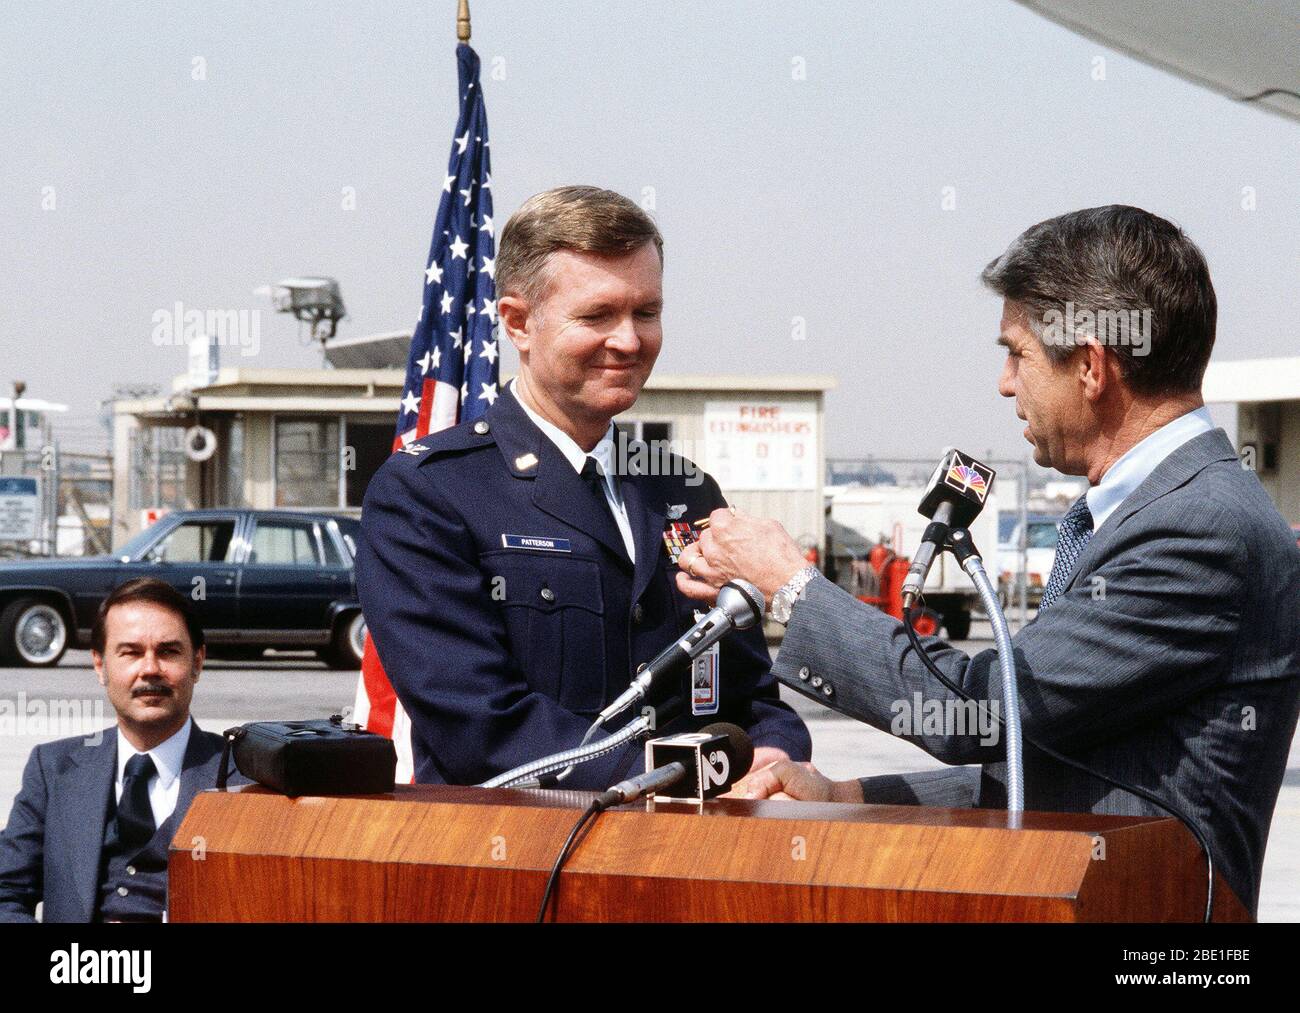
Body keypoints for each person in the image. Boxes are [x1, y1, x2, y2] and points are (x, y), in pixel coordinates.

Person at [674, 206, 1300, 917]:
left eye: (1018, 354)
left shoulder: (1197, 526)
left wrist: (789, 587)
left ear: (1092, 366)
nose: (1006, 384)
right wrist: (845, 795)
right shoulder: (1154, 510)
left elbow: (982, 707)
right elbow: (1051, 770)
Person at [357, 186, 810, 790]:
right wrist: (680, 777)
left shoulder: (684, 490)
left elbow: (752, 695)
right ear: (518, 322)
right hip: (526, 862)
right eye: (597, 316)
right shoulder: (428, 494)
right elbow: (482, 728)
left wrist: (774, 752)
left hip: (697, 856)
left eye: (646, 313)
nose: (628, 341)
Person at [0, 578, 244, 922]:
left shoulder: (245, 776)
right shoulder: (52, 769)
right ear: (100, 665)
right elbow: (5, 893)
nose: (150, 669)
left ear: (197, 663)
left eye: (168, 651)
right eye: (130, 652)